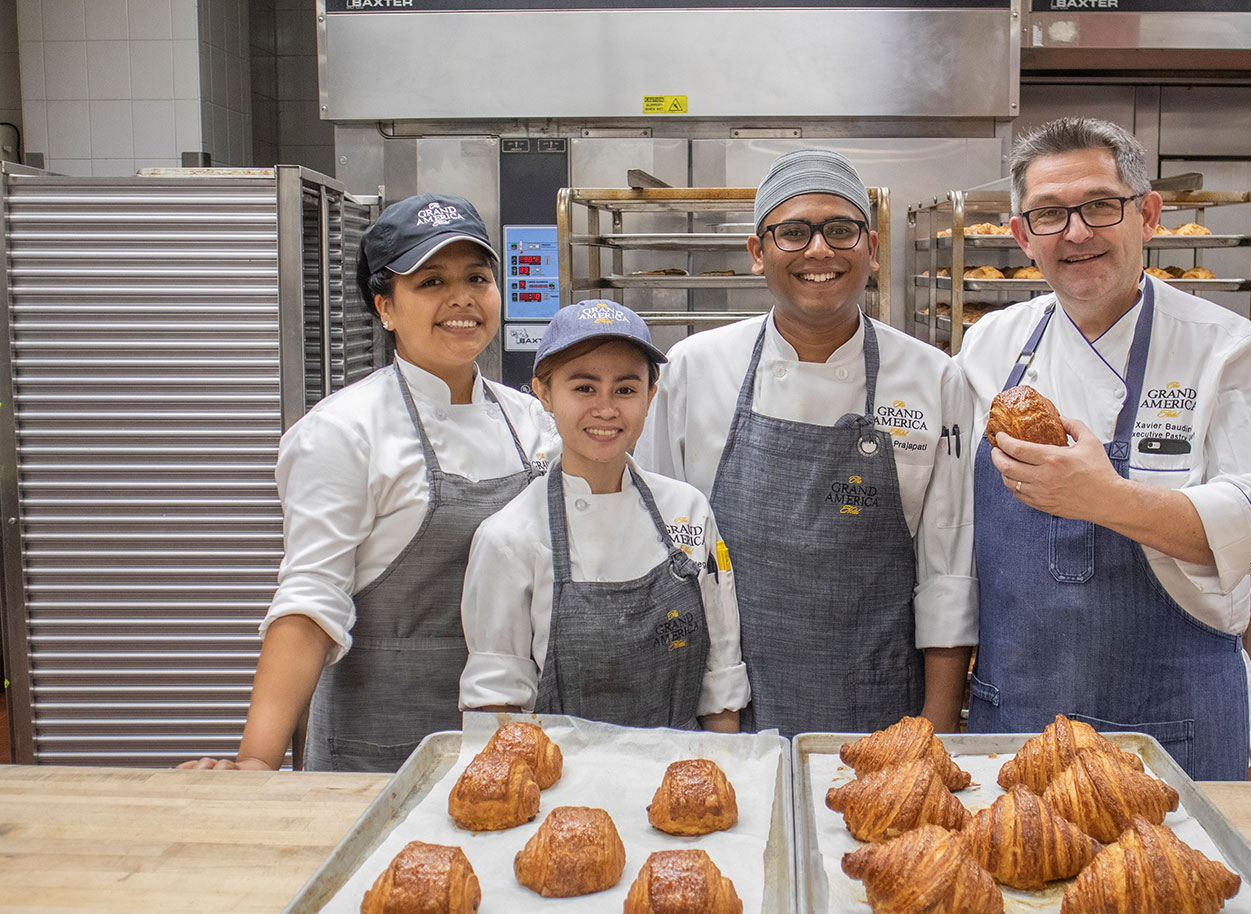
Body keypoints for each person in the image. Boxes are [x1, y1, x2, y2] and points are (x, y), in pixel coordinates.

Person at [956, 117, 1251, 781]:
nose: (1077, 232)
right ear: (1023, 237)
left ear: (1147, 215)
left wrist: (1107, 500)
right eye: (1049, 214)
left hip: (1166, 717)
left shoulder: (1221, 348)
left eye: (1099, 206)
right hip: (1021, 707)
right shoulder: (991, 347)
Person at [180, 194, 557, 771]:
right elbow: (310, 602)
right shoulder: (344, 431)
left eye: (477, 277)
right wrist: (256, 762)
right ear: (385, 307)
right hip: (382, 743)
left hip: (508, 737)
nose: (461, 298)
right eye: (430, 282)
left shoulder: (529, 422)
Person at [638, 148, 977, 737]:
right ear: (757, 253)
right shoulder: (694, 370)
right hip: (722, 702)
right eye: (792, 232)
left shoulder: (932, 377)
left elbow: (947, 565)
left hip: (880, 705)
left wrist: (937, 729)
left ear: (872, 250)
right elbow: (665, 555)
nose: (818, 250)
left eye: (840, 230)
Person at [459, 300, 748, 732]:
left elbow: (720, 676)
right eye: (584, 388)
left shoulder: (688, 511)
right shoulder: (509, 537)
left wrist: (723, 771)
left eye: (626, 390)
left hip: (681, 777)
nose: (607, 409)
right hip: (560, 786)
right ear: (544, 394)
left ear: (651, 396)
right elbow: (495, 709)